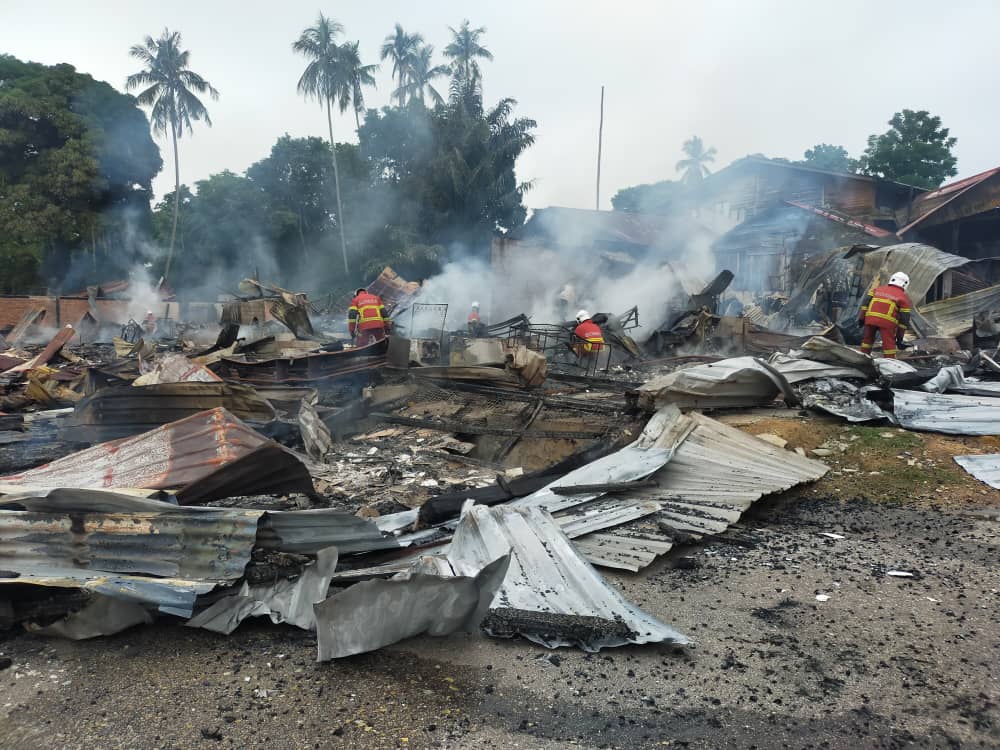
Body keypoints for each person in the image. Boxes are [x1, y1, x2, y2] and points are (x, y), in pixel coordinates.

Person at [858, 272, 912, 359]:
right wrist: (899, 338)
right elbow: (904, 320)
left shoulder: (876, 290)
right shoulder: (904, 298)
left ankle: (862, 358)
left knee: (867, 340)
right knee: (889, 344)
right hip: (887, 323)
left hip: (870, 319)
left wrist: (861, 319)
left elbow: (865, 304)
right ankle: (889, 361)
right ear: (905, 284)